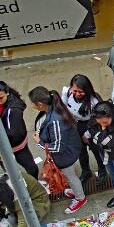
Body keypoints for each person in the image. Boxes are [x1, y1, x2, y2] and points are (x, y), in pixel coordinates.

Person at [29, 86, 87, 214]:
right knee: (71, 176)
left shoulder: (55, 120)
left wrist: (39, 142)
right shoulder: (56, 109)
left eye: (32, 103)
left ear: (39, 104)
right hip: (70, 150)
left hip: (65, 155)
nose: (31, 106)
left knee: (71, 177)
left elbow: (58, 147)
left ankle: (80, 198)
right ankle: (76, 191)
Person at [0, 81, 39, 179]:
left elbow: (15, 134)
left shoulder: (13, 111)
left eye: (0, 98)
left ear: (7, 93)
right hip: (5, 145)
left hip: (15, 147)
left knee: (28, 168)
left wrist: (1, 149)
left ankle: (31, 183)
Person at [85, 102, 114, 209]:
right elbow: (92, 132)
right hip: (105, 152)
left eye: (105, 122)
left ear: (111, 116)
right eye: (99, 121)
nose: (102, 124)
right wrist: (101, 135)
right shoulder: (95, 118)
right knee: (112, 172)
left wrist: (101, 133)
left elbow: (103, 141)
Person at [61, 75, 106, 184]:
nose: (77, 94)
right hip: (75, 126)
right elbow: (62, 107)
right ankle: (86, 171)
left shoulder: (94, 101)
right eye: (74, 90)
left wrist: (88, 134)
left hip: (90, 127)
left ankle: (102, 170)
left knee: (96, 150)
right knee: (80, 152)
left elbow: (98, 119)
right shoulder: (67, 93)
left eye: (81, 92)